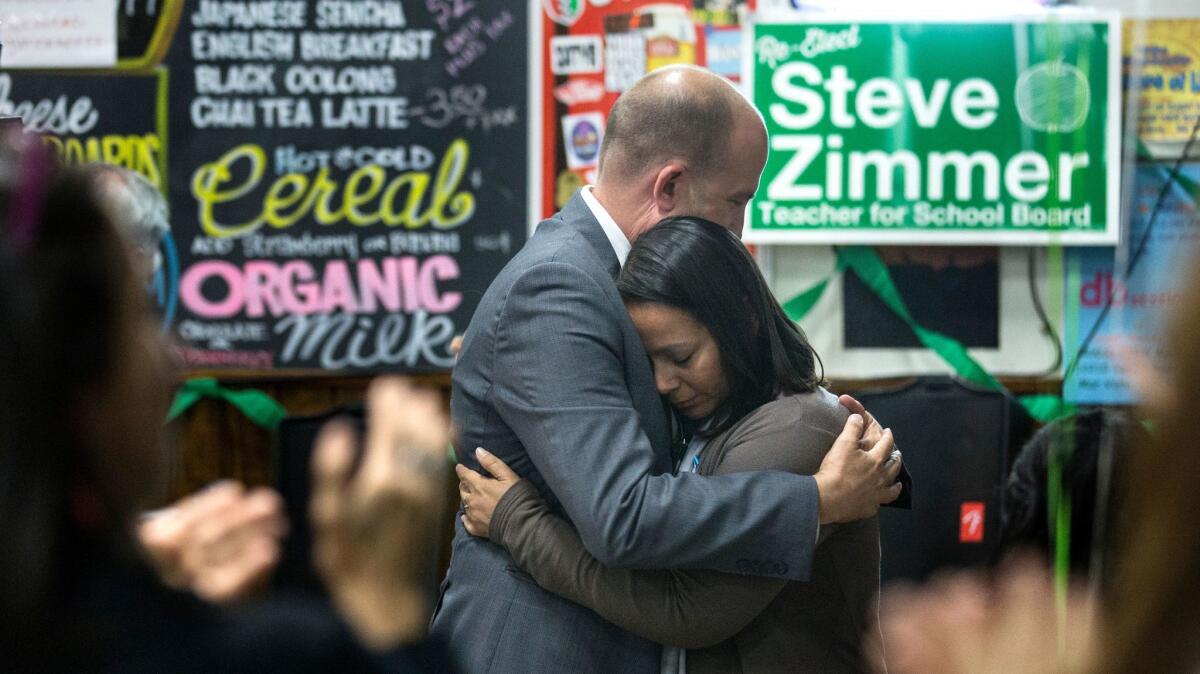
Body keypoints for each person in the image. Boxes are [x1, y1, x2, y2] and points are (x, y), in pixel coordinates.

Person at [431, 65, 903, 673]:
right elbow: (621, 515)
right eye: (736, 201)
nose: (739, 230)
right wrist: (815, 500)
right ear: (670, 186)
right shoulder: (560, 285)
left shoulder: (601, 277)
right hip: (543, 646)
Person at [0, 133, 451, 671]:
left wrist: (141, 572)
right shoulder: (275, 655)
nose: (171, 361)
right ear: (80, 385)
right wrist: (387, 602)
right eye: (141, 317)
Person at [458, 217, 894, 673]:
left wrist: (518, 523)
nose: (664, 382)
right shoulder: (717, 416)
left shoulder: (801, 428)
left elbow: (686, 612)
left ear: (743, 318)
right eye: (647, 363)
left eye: (682, 357)